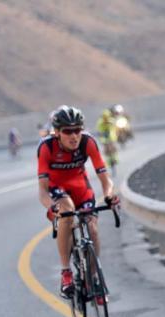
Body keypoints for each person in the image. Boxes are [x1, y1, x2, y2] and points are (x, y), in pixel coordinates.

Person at [37, 105, 119, 299]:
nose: (74, 136)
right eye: (67, 131)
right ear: (57, 132)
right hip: (58, 189)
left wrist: (108, 195)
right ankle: (66, 273)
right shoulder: (47, 147)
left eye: (77, 130)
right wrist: (51, 207)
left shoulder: (88, 142)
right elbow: (42, 189)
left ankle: (93, 277)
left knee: (93, 228)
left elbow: (106, 179)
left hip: (81, 188)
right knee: (67, 212)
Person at [96, 108, 119, 176]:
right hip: (104, 138)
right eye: (104, 118)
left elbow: (115, 128)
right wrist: (102, 138)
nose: (106, 119)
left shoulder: (111, 121)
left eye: (107, 117)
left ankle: (115, 158)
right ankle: (109, 161)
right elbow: (99, 131)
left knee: (113, 148)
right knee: (106, 150)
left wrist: (115, 135)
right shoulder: (100, 122)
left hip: (112, 137)